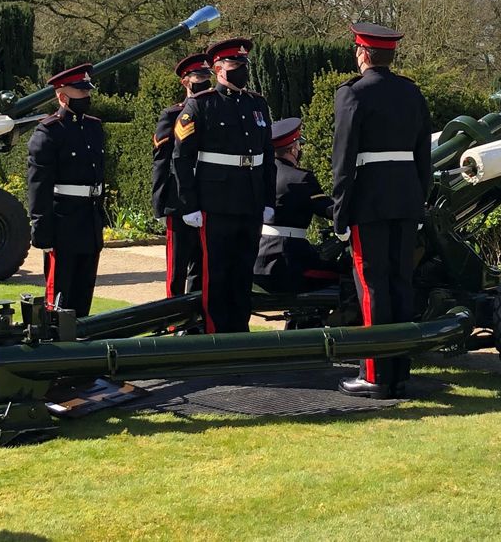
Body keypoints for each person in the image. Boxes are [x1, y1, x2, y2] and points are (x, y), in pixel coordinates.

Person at [332, 22, 432, 399]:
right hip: (405, 199)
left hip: (369, 202)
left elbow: (343, 161)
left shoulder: (352, 95)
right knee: (399, 284)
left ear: (362, 54)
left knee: (372, 287)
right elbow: (424, 155)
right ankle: (399, 371)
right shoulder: (411, 93)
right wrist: (418, 198)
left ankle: (374, 375)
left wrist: (341, 212)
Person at [171, 37, 275, 333]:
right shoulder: (201, 105)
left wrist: (268, 200)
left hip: (250, 200)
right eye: (235, 64)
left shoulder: (257, 104)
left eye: (244, 64)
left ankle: (240, 332)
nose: (242, 69)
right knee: (216, 273)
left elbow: (267, 156)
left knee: (243, 272)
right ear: (218, 69)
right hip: (216, 202)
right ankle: (217, 334)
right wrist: (189, 203)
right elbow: (181, 158)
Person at [27, 63, 105, 318]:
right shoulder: (48, 132)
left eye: (87, 91)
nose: (87, 97)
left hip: (89, 220)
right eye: (81, 92)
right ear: (62, 97)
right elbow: (39, 186)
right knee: (59, 298)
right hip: (64, 223)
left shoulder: (94, 127)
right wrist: (43, 231)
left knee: (84, 295)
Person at [253, 117, 339, 293]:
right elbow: (330, 210)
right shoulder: (301, 178)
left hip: (257, 258)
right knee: (345, 274)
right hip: (288, 263)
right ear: (293, 149)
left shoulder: (257, 175)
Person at [152, 51, 212, 298]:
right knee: (177, 270)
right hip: (178, 201)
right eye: (198, 75)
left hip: (207, 196)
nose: (203, 80)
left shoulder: (215, 110)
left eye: (206, 75)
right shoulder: (172, 115)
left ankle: (195, 325)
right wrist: (159, 202)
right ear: (185, 81)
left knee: (201, 267)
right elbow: (162, 161)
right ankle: (172, 323)